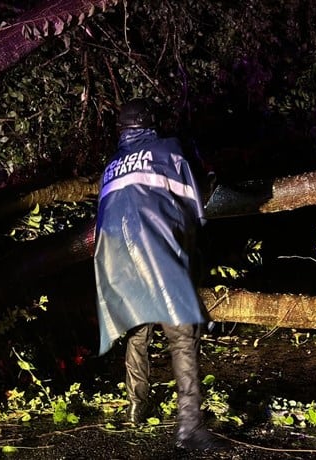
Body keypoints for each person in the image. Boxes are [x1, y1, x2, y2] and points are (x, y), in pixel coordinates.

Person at [94, 98, 227, 450]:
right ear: (151, 123)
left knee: (138, 330)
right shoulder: (168, 149)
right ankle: (189, 427)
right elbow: (194, 206)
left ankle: (137, 406)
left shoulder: (109, 168)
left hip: (118, 262)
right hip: (158, 255)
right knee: (182, 335)